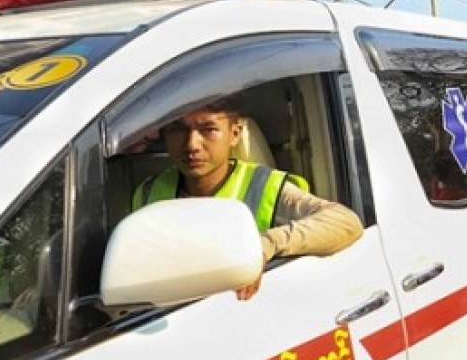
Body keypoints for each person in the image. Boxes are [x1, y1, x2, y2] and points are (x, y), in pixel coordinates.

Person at [133, 99, 364, 300]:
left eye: (209, 129)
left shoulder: (265, 187)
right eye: (177, 129)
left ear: (235, 134)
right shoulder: (148, 192)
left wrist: (265, 245)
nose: (192, 144)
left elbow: (346, 222)